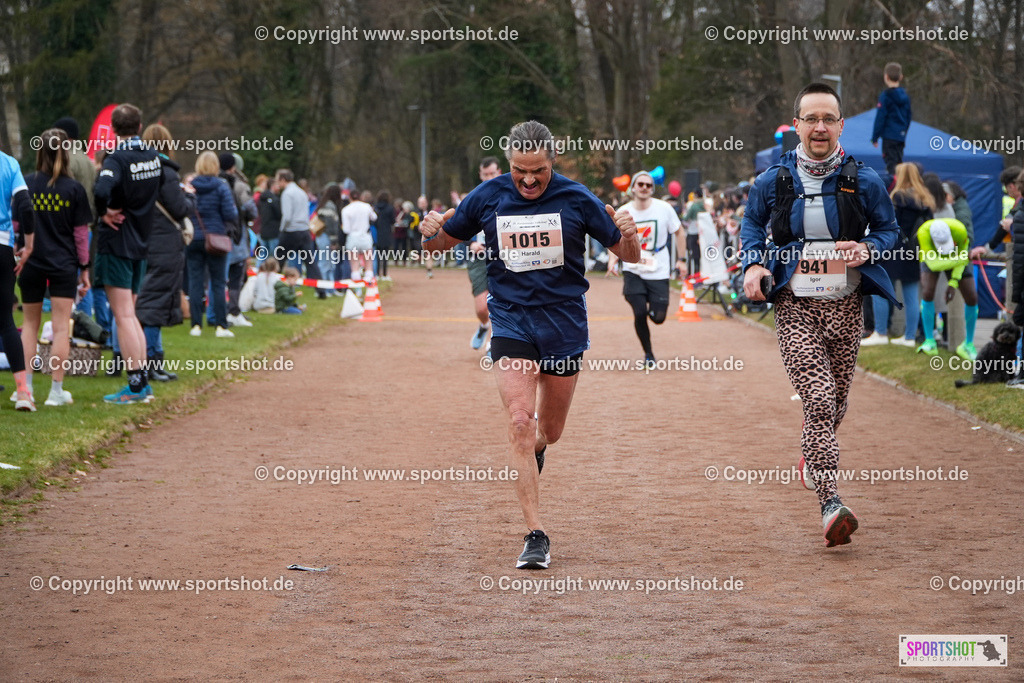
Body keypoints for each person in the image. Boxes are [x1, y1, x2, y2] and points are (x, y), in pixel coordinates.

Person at [418, 120, 640, 569]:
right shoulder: (488, 196)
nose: (529, 179)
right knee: (521, 421)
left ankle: (538, 448)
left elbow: (629, 256)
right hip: (512, 321)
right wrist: (428, 232)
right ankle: (535, 534)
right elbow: (440, 245)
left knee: (548, 432)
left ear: (551, 163)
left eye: (538, 169)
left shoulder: (577, 198)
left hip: (563, 324)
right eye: (520, 169)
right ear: (508, 163)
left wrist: (629, 232)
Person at [741, 83, 900, 548]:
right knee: (818, 400)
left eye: (828, 118)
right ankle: (831, 502)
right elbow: (752, 224)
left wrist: (868, 248)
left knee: (836, 405)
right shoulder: (773, 179)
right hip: (795, 306)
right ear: (797, 124)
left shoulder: (865, 179)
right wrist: (753, 261)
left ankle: (813, 452)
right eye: (810, 119)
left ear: (841, 125)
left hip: (847, 305)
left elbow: (889, 230)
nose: (819, 127)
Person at [92, 103, 162, 404]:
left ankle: (134, 385)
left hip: (118, 241)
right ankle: (142, 383)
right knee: (131, 315)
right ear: (140, 125)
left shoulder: (117, 159)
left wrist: (103, 212)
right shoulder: (152, 156)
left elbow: (100, 190)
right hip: (141, 243)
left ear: (114, 127)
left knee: (122, 315)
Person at [15, 128, 90, 408]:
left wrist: (16, 255)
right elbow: (81, 236)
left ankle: (26, 388)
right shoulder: (74, 189)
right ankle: (56, 391)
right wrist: (84, 268)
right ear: (65, 153)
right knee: (60, 329)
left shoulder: (26, 184)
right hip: (63, 263)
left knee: (30, 327)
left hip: (31, 261)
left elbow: (16, 226)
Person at [135, 124, 195, 382]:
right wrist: (190, 198)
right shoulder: (166, 173)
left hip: (141, 240)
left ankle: (153, 359)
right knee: (154, 304)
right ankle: (150, 362)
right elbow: (179, 208)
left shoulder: (135, 170)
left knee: (146, 300)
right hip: (163, 244)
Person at [606, 170, 681, 365]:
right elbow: (613, 238)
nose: (645, 188)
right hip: (633, 268)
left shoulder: (664, 208)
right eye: (641, 184)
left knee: (659, 317)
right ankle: (648, 354)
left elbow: (679, 232)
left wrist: (681, 260)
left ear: (652, 189)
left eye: (648, 185)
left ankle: (654, 309)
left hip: (659, 267)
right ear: (633, 188)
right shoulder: (623, 210)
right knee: (639, 312)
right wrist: (612, 260)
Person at [861, 162, 933, 347]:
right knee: (911, 297)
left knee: (881, 292)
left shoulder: (896, 197)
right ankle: (909, 337)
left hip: (891, 252)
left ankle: (881, 332)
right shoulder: (925, 200)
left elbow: (887, 226)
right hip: (913, 252)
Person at [186, 151, 238, 338]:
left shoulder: (190, 186)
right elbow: (230, 213)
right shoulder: (221, 187)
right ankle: (221, 325)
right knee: (217, 282)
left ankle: (196, 325)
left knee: (195, 281)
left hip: (193, 237)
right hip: (216, 237)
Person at [1, 142, 36, 409]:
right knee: (6, 321)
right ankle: (23, 392)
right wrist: (29, 243)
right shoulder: (9, 163)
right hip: (2, 246)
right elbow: (25, 204)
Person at [916, 218, 979, 360]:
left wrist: (953, 282)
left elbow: (962, 257)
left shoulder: (960, 230)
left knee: (972, 297)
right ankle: (929, 341)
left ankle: (968, 344)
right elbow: (933, 265)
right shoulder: (923, 232)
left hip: (956, 258)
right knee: (927, 292)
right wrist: (961, 259)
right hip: (934, 257)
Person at [219, 153, 256, 326]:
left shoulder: (214, 180)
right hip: (237, 233)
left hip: (217, 234)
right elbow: (251, 209)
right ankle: (233, 310)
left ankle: (220, 312)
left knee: (218, 275)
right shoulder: (240, 185)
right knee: (237, 273)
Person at [468, 157, 502, 350]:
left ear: (499, 172)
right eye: (485, 174)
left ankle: (493, 345)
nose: (489, 178)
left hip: (504, 258)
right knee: (482, 307)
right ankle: (483, 326)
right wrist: (471, 242)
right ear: (480, 175)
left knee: (498, 303)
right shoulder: (473, 198)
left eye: (492, 174)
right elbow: (458, 226)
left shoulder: (511, 195)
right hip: (478, 259)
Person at [276, 168, 322, 288]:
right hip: (304, 230)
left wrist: (282, 229)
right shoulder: (302, 192)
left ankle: (273, 284)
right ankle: (320, 289)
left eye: (278, 180)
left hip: (290, 231)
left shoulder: (287, 194)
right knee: (310, 262)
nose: (277, 183)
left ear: (283, 179)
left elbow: (287, 216)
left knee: (279, 260)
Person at [871, 62, 912, 176]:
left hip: (889, 136)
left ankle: (894, 189)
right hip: (900, 136)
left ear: (886, 77)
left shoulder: (885, 96)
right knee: (899, 163)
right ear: (901, 77)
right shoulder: (905, 96)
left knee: (891, 165)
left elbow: (881, 116)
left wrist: (875, 137)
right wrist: (903, 132)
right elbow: (909, 116)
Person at [341, 189, 377, 281]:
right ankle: (370, 285)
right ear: (360, 197)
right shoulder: (366, 206)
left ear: (350, 197)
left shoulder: (346, 209)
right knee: (368, 263)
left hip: (353, 237)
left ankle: (357, 289)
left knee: (354, 265)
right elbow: (374, 217)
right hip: (365, 236)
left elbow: (346, 229)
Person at [256, 174, 282, 267]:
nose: (279, 187)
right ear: (273, 186)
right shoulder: (275, 200)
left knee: (262, 255)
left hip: (263, 230)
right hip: (273, 232)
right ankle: (271, 273)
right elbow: (279, 214)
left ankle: (258, 272)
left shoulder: (262, 199)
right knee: (272, 256)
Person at [373, 190, 395, 281]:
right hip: (386, 232)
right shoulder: (390, 208)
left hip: (377, 232)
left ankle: (377, 274)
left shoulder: (375, 207)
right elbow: (393, 221)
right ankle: (385, 274)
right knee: (385, 255)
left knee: (377, 255)